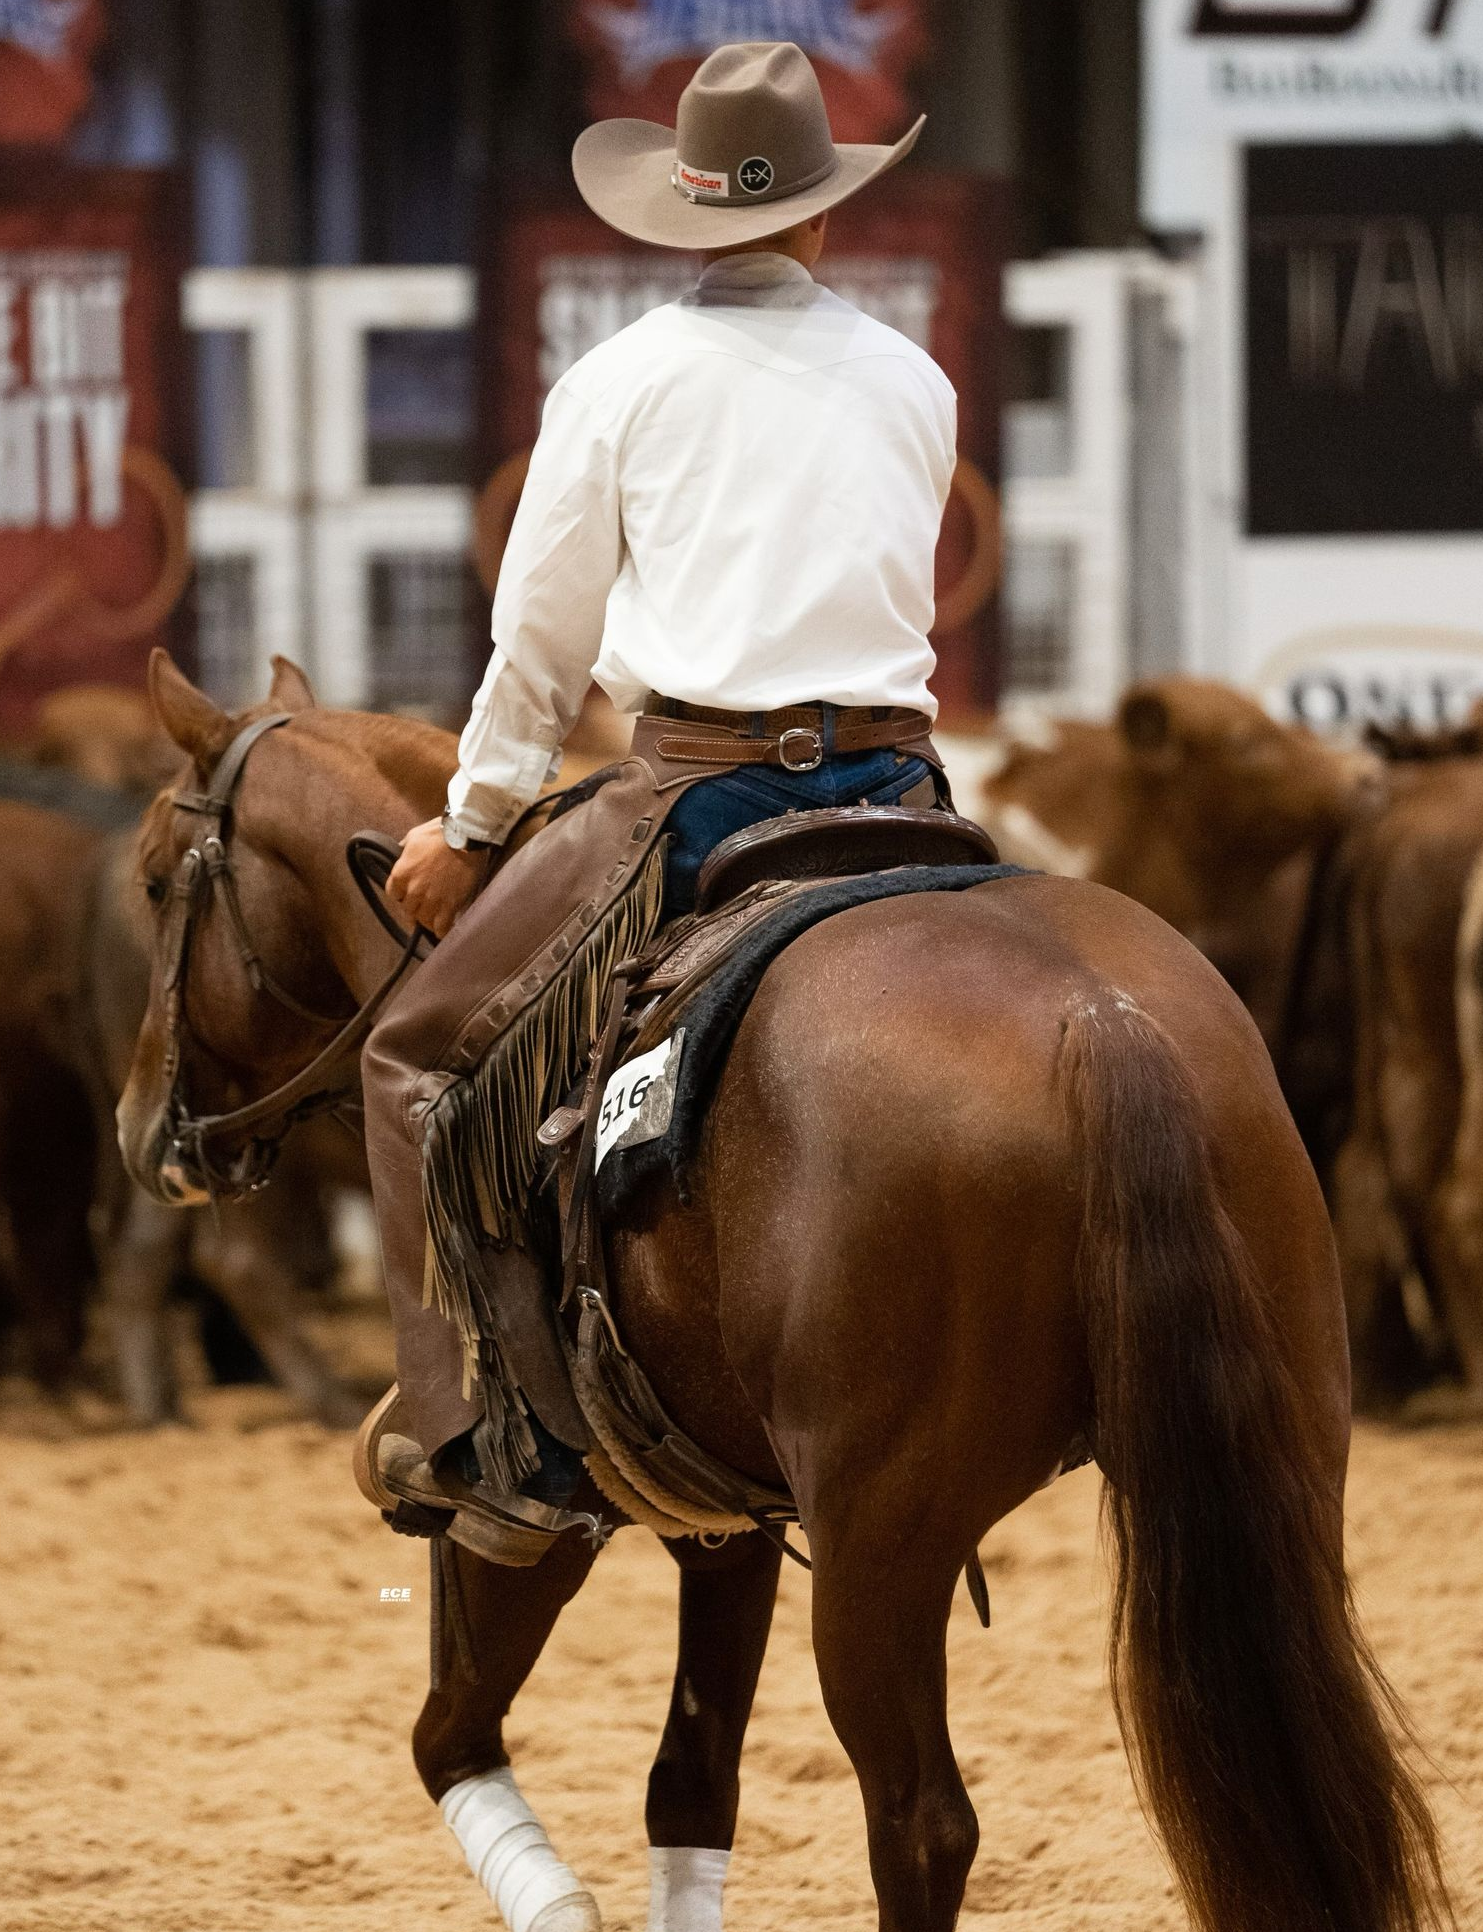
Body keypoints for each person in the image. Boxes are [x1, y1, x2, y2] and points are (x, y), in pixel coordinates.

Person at [356, 38, 956, 1541]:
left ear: (677, 217)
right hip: (904, 784)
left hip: (696, 797)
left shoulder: (618, 382)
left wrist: (472, 824)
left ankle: (481, 1439)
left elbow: (542, 646)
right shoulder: (915, 379)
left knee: (415, 1061)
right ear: (824, 215)